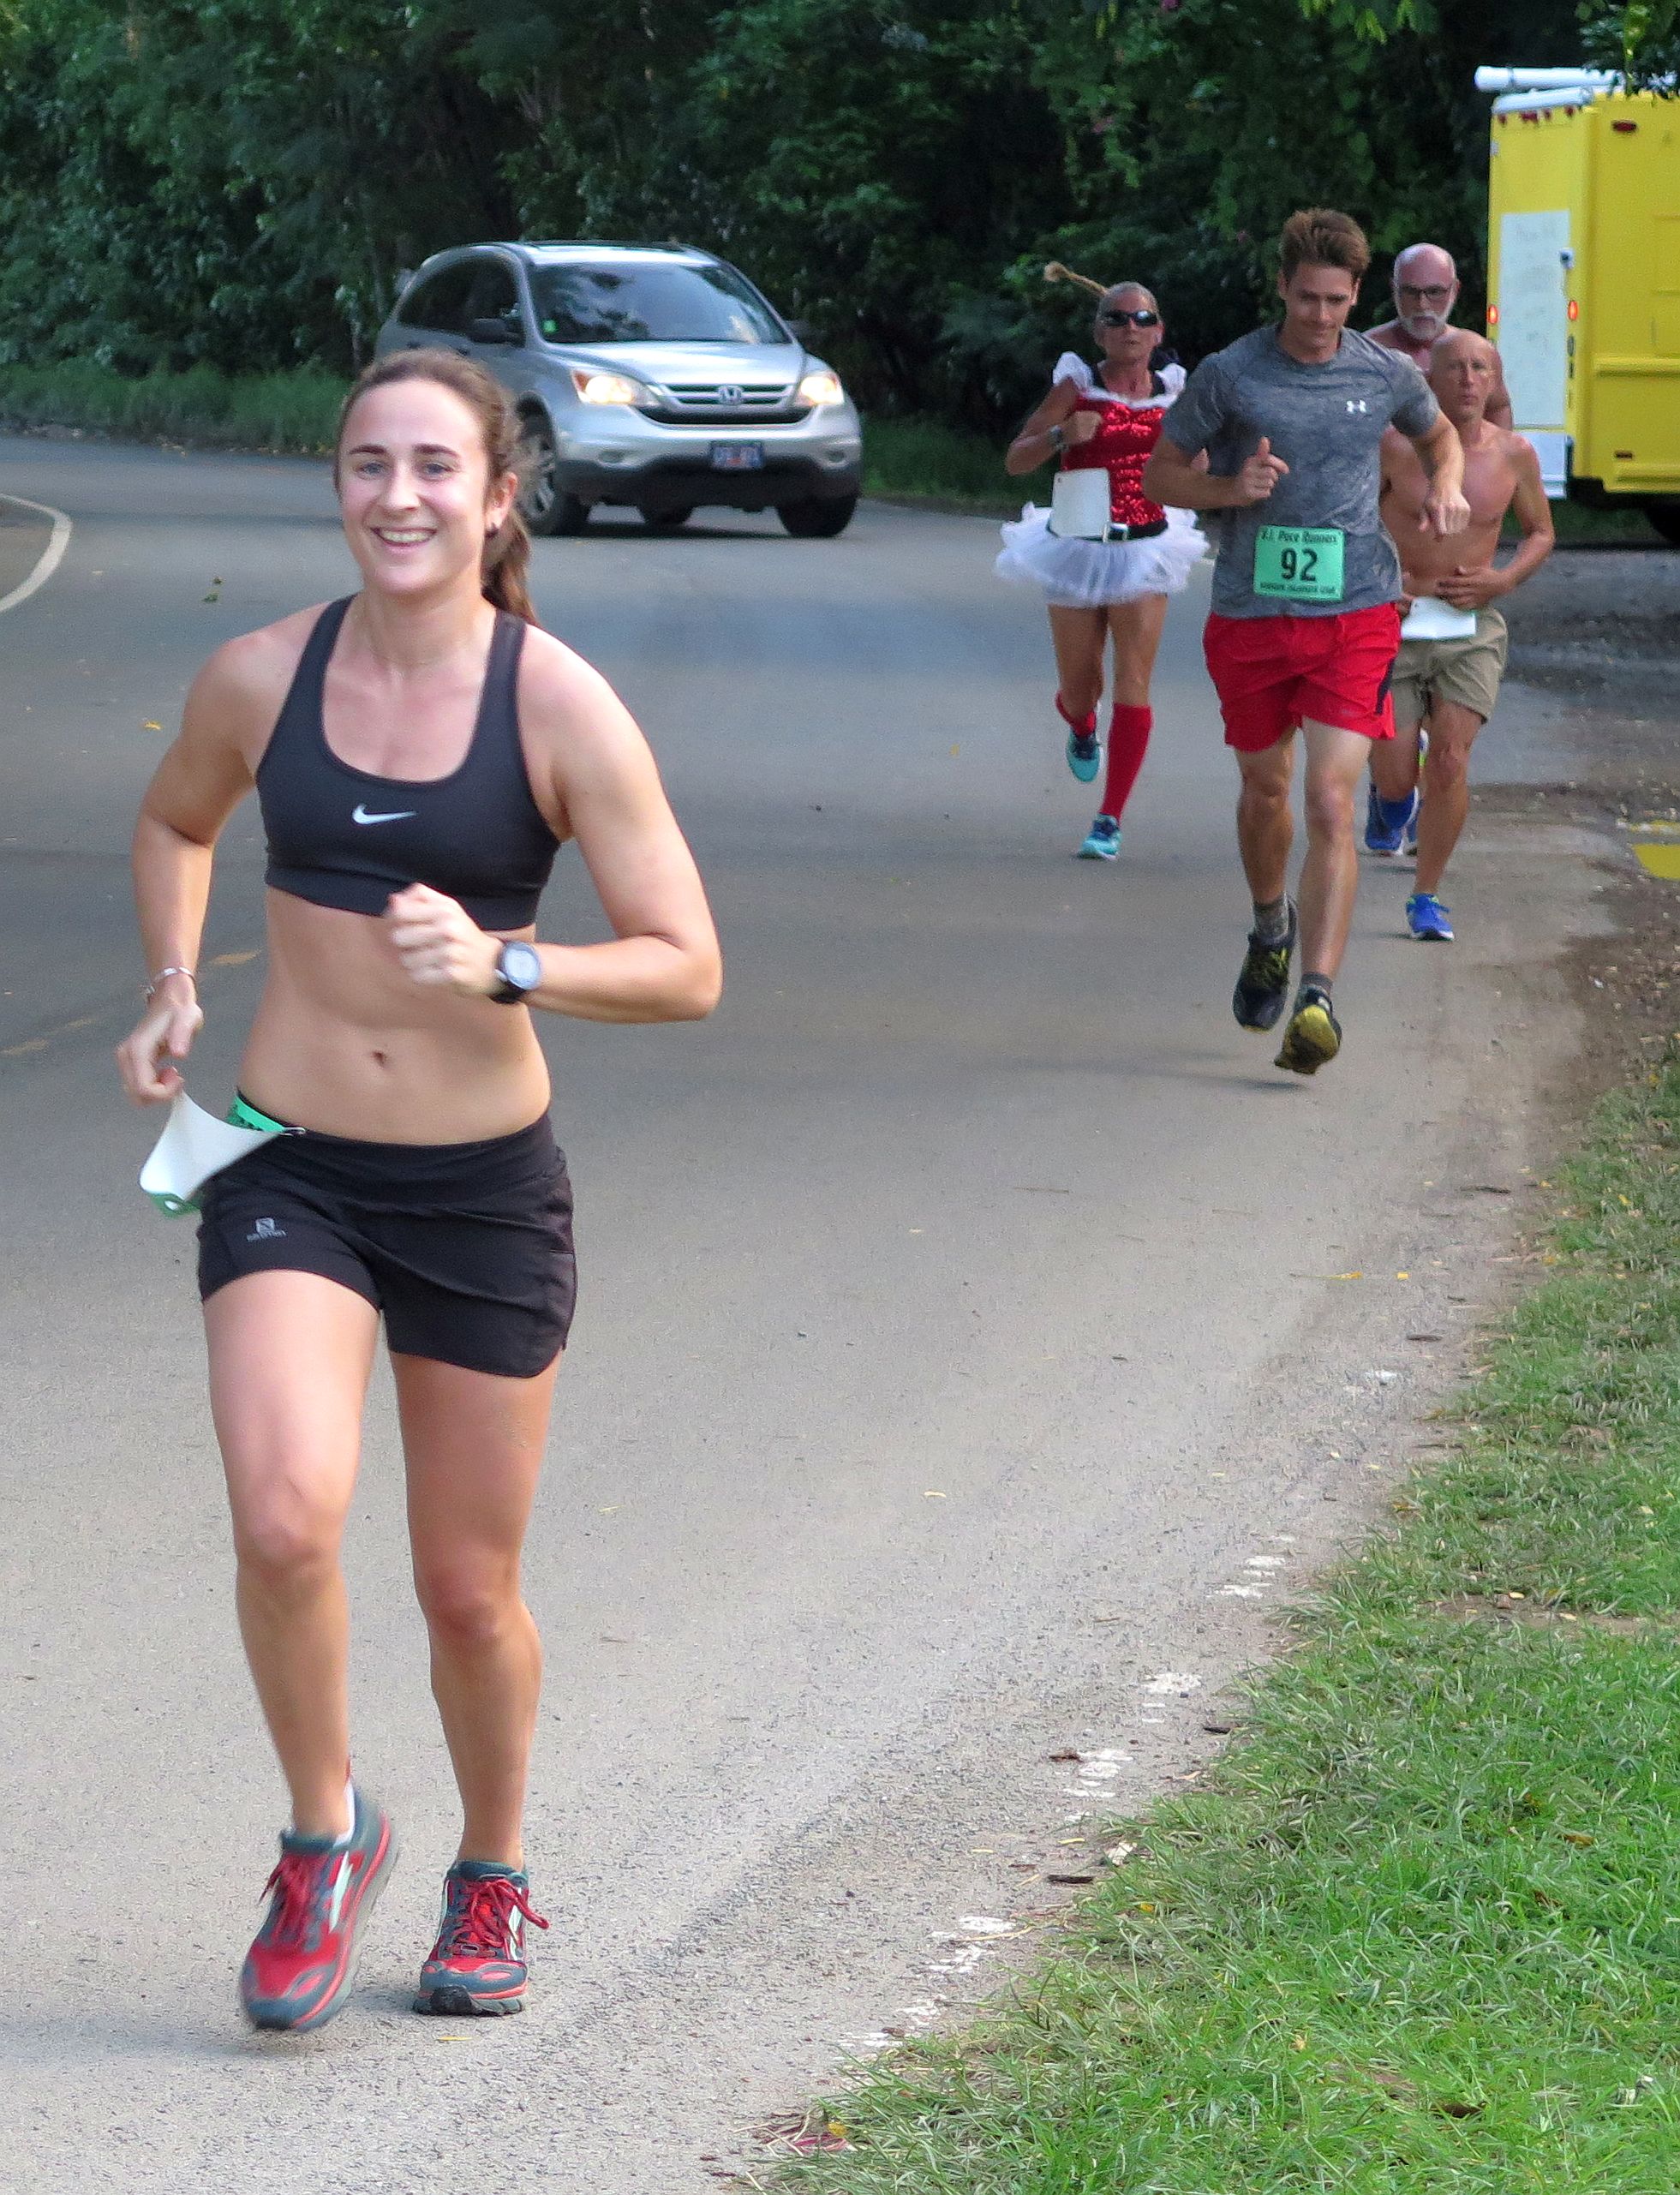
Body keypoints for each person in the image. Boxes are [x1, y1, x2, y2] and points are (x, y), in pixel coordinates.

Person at [114, 349, 721, 2033]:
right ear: (338, 485)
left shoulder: (555, 705)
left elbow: (687, 969)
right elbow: (173, 826)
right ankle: (325, 1835)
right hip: (278, 1160)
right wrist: (173, 981)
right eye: (368, 465)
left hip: (476, 1194)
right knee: (283, 1515)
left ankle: (491, 1871)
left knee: (466, 1589)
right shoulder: (258, 675)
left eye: (433, 468)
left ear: (496, 498)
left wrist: (509, 960)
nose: (397, 496)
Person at [1141, 206, 1468, 1074]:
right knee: (1264, 793)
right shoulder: (1228, 375)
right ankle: (1268, 927)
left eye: (1335, 301)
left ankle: (1316, 997)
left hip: (1354, 613)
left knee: (1329, 802)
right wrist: (1226, 485)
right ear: (1281, 287)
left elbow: (1438, 437)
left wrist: (1446, 487)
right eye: (1306, 299)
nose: (1319, 317)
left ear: (1357, 295)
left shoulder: (1382, 370)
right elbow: (1158, 473)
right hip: (1251, 613)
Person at [995, 270, 1205, 859]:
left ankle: (1108, 818)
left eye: (1141, 318)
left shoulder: (1174, 390)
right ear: (1098, 331)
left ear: (1158, 330)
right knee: (1080, 689)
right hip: (1077, 544)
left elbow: (1197, 466)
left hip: (1145, 545)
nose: (1129, 328)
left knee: (1132, 685)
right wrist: (1062, 434)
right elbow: (1015, 460)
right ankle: (1079, 723)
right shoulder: (1077, 385)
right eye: (1116, 317)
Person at [1365, 328, 1553, 937]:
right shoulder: (1393, 447)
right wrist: (1375, 581)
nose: (1468, 379)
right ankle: (1391, 801)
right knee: (1397, 774)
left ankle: (1426, 896)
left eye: (1480, 368)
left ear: (1494, 382)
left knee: (1448, 759)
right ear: (1429, 381)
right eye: (1454, 368)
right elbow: (1351, 518)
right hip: (1393, 623)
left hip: (1469, 627)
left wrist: (1501, 581)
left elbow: (1539, 532)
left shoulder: (1514, 454)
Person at [1368, 242, 1513, 429]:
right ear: (1394, 289)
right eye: (1411, 292)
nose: (1422, 305)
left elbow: (1498, 407)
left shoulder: (1477, 352)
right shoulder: (1367, 352)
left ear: (1455, 290)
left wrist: (1496, 453)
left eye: (1434, 292)